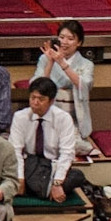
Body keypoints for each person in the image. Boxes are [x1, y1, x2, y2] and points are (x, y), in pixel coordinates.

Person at [10, 76, 81, 205]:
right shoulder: (20, 117)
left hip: (52, 166)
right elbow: (15, 151)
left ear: (51, 101)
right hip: (29, 164)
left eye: (41, 99)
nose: (35, 102)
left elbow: (67, 153)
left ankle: (41, 189)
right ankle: (42, 190)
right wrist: (19, 178)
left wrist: (57, 182)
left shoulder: (63, 118)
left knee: (77, 176)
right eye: (33, 98)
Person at [35, 19, 95, 149]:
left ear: (79, 42)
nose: (64, 42)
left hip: (73, 119)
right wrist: (50, 62)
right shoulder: (44, 59)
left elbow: (84, 85)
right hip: (48, 114)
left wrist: (62, 63)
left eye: (70, 38)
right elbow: (38, 88)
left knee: (75, 146)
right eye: (61, 37)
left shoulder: (86, 64)